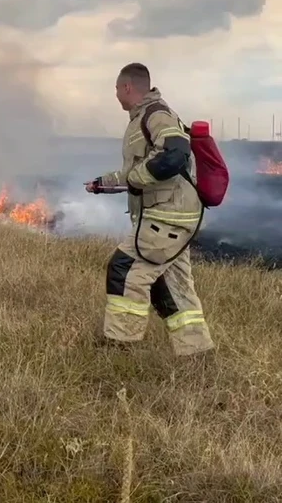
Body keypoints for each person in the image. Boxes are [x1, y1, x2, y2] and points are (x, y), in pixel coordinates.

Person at [85, 63, 214, 358]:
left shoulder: (156, 114)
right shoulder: (142, 119)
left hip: (168, 216)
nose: (116, 94)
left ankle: (119, 346)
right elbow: (133, 172)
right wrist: (101, 183)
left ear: (128, 87)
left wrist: (136, 178)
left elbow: (175, 155)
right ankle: (197, 352)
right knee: (172, 286)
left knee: (125, 269)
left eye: (117, 89)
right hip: (172, 217)